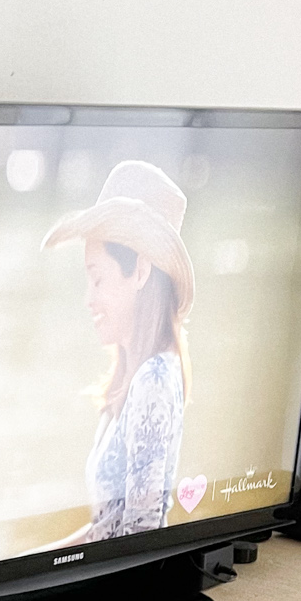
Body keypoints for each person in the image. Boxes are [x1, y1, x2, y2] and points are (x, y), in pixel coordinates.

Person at [45, 160, 194, 541]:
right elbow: (109, 527)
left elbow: (139, 537)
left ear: (140, 272)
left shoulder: (153, 380)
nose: (88, 299)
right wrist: (36, 563)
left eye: (98, 279)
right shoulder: (137, 374)